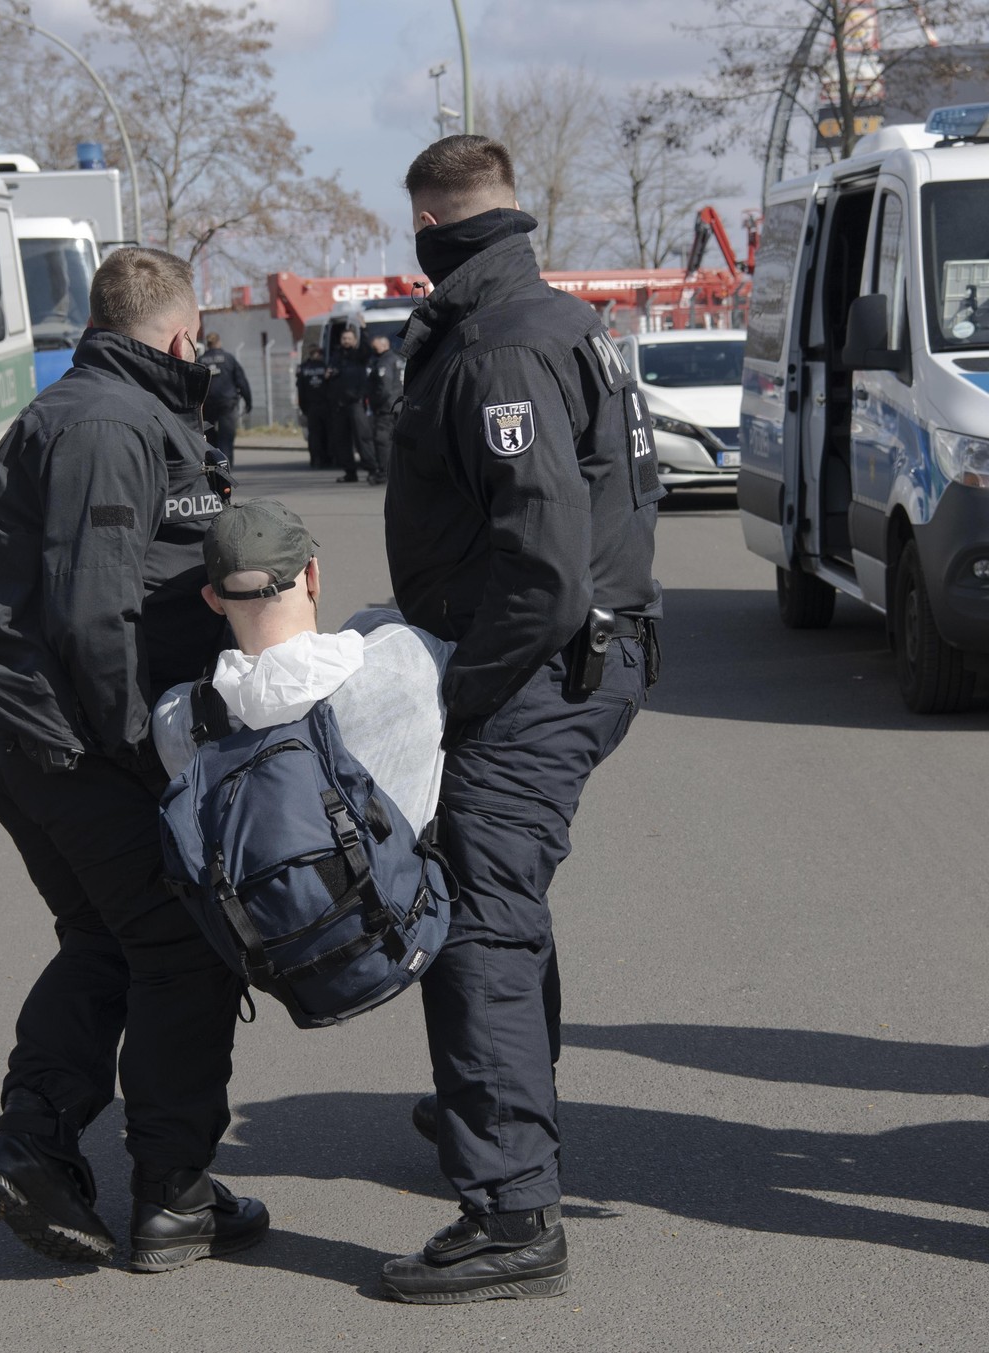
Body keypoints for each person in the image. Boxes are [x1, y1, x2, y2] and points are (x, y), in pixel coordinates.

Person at [379, 135, 663, 1303]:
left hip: (538, 669)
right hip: (577, 658)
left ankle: (510, 1212)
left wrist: (451, 693)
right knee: (502, 903)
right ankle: (501, 1121)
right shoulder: (557, 320)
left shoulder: (497, 349)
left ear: (433, 232)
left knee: (479, 927)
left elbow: (543, 571)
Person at [0, 247, 269, 1273]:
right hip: (84, 750)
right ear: (181, 336)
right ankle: (171, 1197)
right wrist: (157, 765)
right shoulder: (106, 425)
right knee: (184, 953)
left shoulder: (121, 412)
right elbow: (97, 617)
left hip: (56, 744)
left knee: (106, 943)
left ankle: (36, 1150)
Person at [151, 498, 450, 833]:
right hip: (401, 882)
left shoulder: (176, 720)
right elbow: (373, 625)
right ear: (312, 576)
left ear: (213, 600)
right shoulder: (407, 659)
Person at [327, 326, 379, 484]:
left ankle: (372, 470)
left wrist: (363, 330)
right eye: (344, 338)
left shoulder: (359, 355)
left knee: (363, 437)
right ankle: (350, 472)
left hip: (356, 403)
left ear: (354, 340)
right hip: (339, 405)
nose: (346, 341)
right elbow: (330, 373)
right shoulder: (336, 356)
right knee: (342, 440)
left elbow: (367, 349)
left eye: (349, 338)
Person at [198, 332, 252, 461]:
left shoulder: (200, 361)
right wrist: (248, 402)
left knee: (209, 438)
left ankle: (213, 466)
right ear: (219, 342)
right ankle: (225, 468)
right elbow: (241, 381)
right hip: (227, 403)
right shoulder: (229, 358)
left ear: (207, 344)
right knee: (226, 437)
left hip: (207, 405)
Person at [365, 335, 403, 476]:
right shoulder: (398, 359)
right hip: (398, 405)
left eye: (375, 347)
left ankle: (384, 471)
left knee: (382, 440)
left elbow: (384, 388)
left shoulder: (384, 362)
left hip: (386, 407)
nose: (373, 350)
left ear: (384, 345)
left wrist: (375, 403)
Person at [295, 344, 332, 468]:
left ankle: (316, 460)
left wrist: (303, 406)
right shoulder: (325, 366)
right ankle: (324, 459)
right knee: (324, 433)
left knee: (315, 434)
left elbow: (300, 389)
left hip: (312, 406)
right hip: (323, 405)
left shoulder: (303, 368)